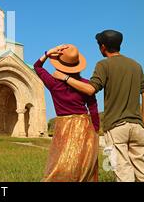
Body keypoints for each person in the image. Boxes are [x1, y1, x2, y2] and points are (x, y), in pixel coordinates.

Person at [52, 30, 144, 182]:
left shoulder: (104, 65)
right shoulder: (135, 65)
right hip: (138, 127)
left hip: (116, 127)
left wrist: (65, 77)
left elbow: (90, 89)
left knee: (123, 173)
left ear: (103, 47)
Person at [34, 44, 99, 182]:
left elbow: (37, 67)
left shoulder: (53, 83)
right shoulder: (85, 84)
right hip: (84, 126)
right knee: (83, 162)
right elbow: (93, 107)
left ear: (59, 64)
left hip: (63, 126)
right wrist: (96, 130)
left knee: (61, 161)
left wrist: (48, 53)